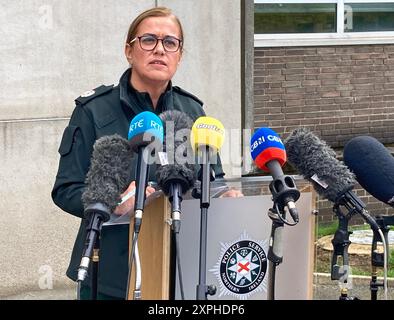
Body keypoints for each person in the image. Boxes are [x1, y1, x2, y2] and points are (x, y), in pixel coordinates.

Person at [51, 6, 241, 300]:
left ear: (179, 54)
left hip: (178, 269)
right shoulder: (94, 110)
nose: (159, 50)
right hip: (110, 274)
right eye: (149, 40)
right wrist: (111, 203)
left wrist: (224, 198)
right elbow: (66, 189)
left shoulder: (193, 112)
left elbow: (213, 181)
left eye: (170, 43)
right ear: (130, 50)